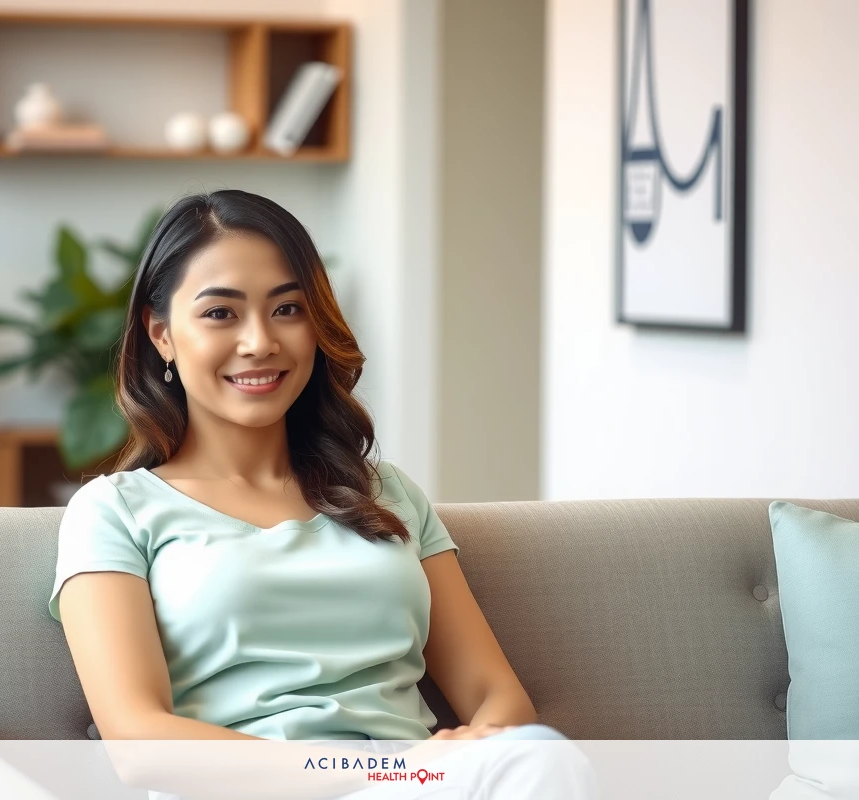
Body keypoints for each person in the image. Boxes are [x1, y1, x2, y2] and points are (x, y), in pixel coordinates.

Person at [48, 189, 596, 799]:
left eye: (287, 309)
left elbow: (498, 699)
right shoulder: (114, 512)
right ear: (161, 334)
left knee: (541, 758)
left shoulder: (387, 494)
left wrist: (473, 757)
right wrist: (384, 772)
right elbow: (138, 742)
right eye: (220, 313)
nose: (260, 341)